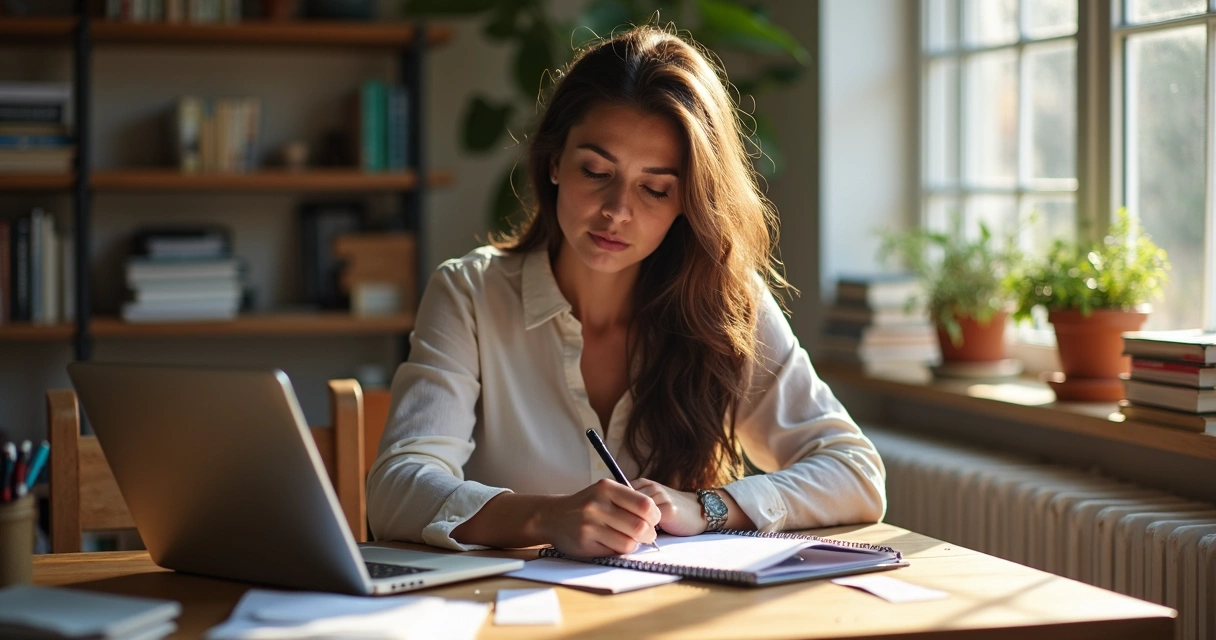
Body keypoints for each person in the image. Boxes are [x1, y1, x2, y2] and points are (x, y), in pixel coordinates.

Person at [367, 25, 885, 557]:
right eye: (596, 171)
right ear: (554, 163)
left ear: (689, 200)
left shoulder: (726, 303)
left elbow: (855, 472)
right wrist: (547, 516)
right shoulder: (470, 295)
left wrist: (705, 507)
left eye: (654, 188)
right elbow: (396, 489)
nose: (617, 210)